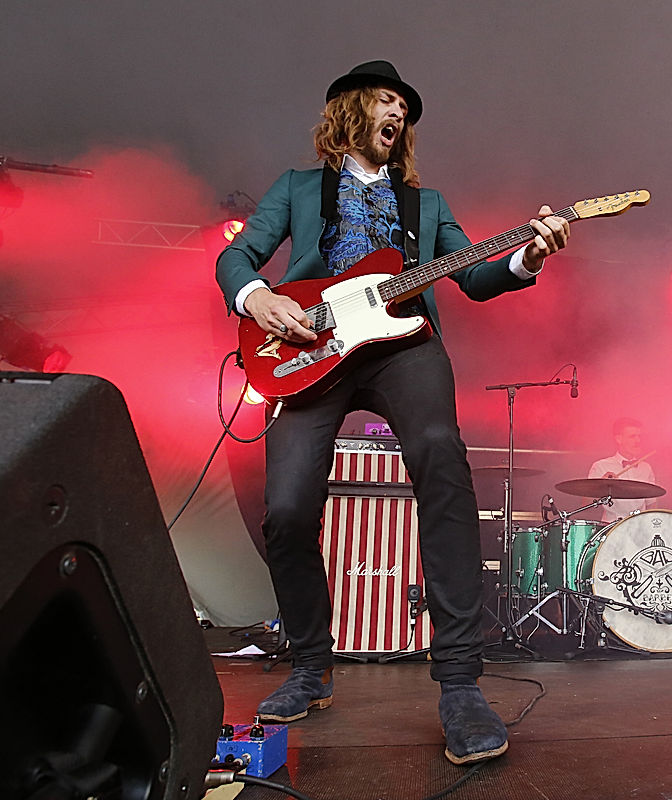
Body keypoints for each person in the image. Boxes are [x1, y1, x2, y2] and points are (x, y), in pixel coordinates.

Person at [215, 60, 570, 765]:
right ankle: (312, 666)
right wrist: (261, 300)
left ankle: (462, 686)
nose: (398, 113)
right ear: (350, 110)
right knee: (285, 511)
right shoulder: (296, 188)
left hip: (404, 346)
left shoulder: (426, 204)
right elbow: (239, 258)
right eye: (385, 101)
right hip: (309, 350)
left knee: (441, 456)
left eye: (404, 108)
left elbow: (473, 274)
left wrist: (527, 255)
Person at [586, 417, 656, 522]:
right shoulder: (601, 466)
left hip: (640, 529)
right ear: (619, 439)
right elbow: (586, 503)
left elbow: (651, 504)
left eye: (639, 436)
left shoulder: (646, 468)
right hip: (611, 528)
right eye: (633, 436)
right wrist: (600, 486)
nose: (638, 440)